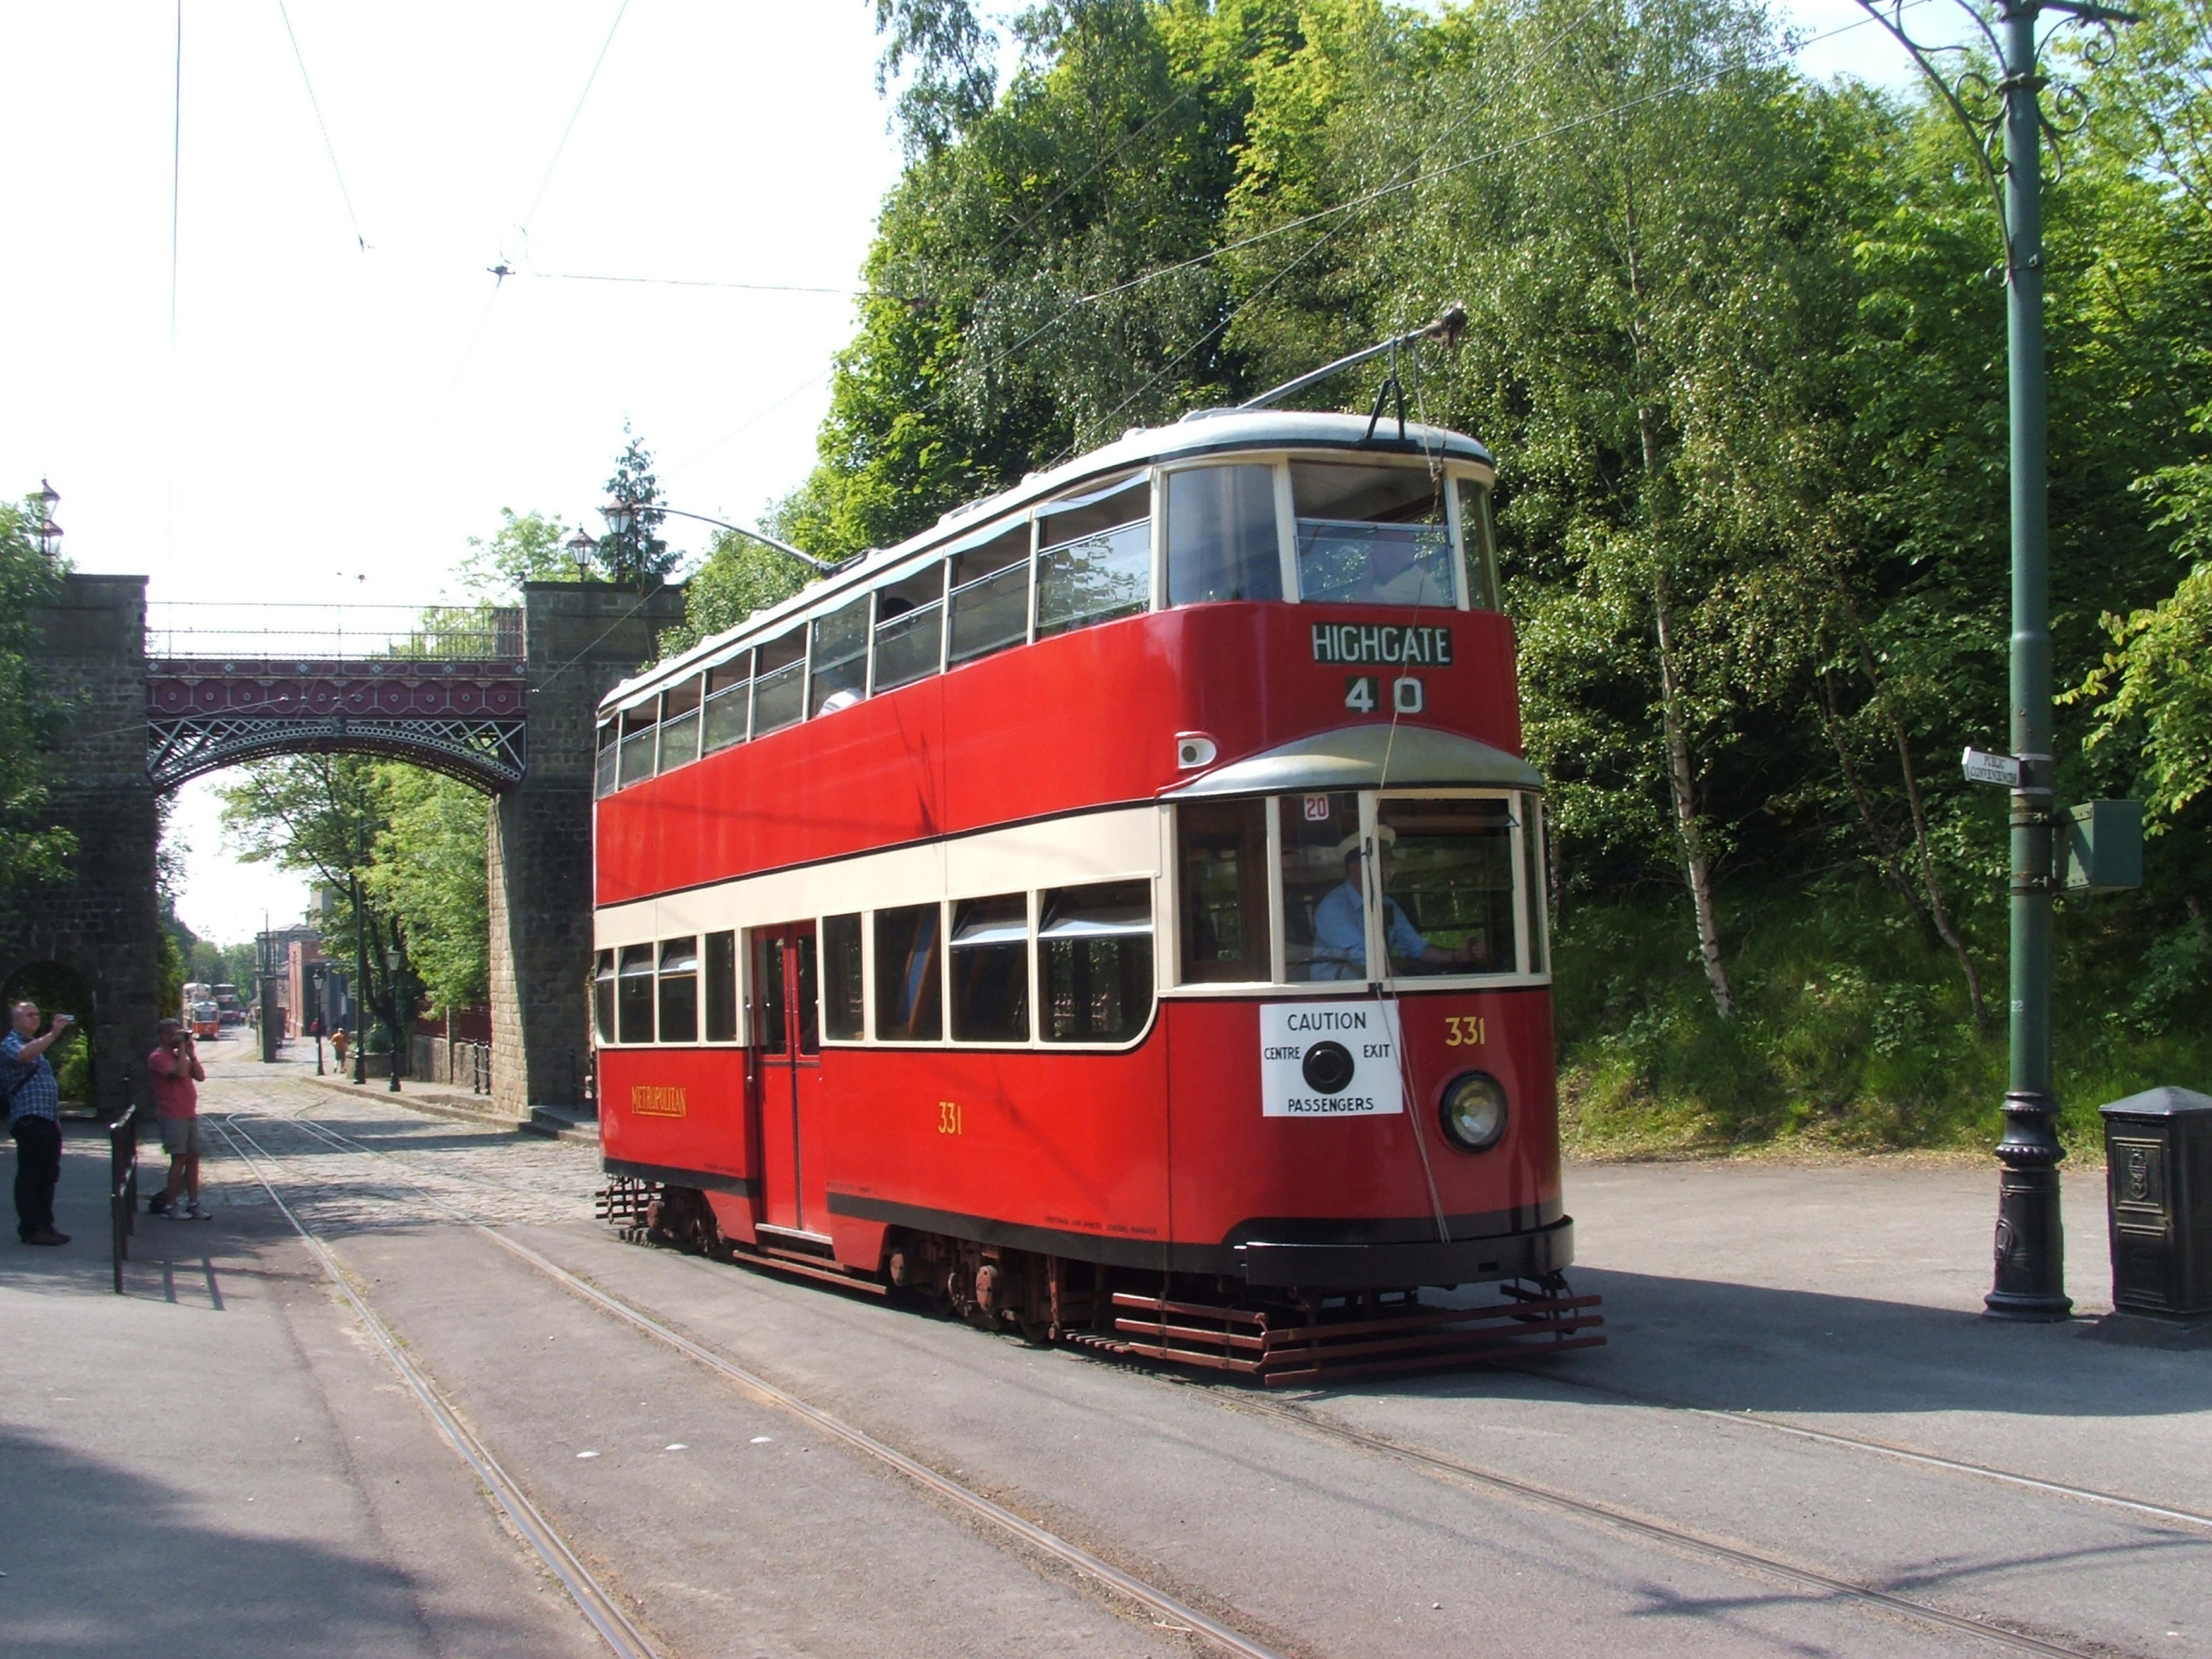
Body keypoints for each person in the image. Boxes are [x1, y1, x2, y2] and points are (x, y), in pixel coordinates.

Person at [1309, 846, 1474, 980]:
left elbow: (1416, 947)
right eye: (1382, 865)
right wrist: (1406, 984)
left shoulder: (1388, 904)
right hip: (1337, 1000)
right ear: (1356, 869)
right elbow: (1365, 957)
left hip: (1379, 990)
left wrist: (1456, 956)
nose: (1388, 873)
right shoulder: (1333, 907)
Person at [4, 999, 75, 1246]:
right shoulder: (10, 1044)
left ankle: (46, 1225)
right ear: (16, 1021)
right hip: (29, 1120)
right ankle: (31, 1227)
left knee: (48, 1174)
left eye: (37, 1014)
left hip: (46, 1120)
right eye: (29, 1015)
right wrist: (54, 1033)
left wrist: (56, 1121)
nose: (35, 1019)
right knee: (31, 1173)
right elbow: (23, 1056)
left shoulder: (38, 1047)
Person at [148, 1018, 209, 1220]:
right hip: (172, 1116)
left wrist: (192, 1055)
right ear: (165, 1036)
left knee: (193, 1158)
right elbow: (180, 1073)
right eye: (176, 1034)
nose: (179, 1038)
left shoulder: (179, 1057)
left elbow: (200, 1076)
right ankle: (171, 1204)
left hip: (188, 1114)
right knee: (179, 1159)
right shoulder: (158, 1057)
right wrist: (182, 1049)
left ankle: (193, 1202)